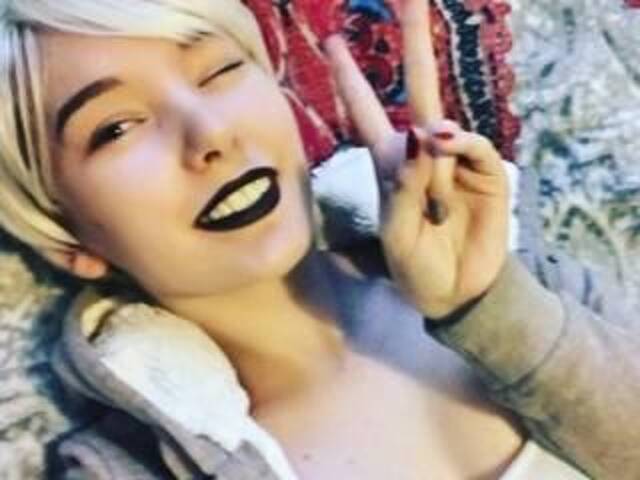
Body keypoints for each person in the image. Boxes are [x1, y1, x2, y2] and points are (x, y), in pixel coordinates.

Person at [0, 0, 636, 478]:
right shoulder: (126, 469)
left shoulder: (530, 276)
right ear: (67, 241)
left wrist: (487, 305)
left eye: (219, 69)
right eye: (115, 128)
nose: (210, 133)